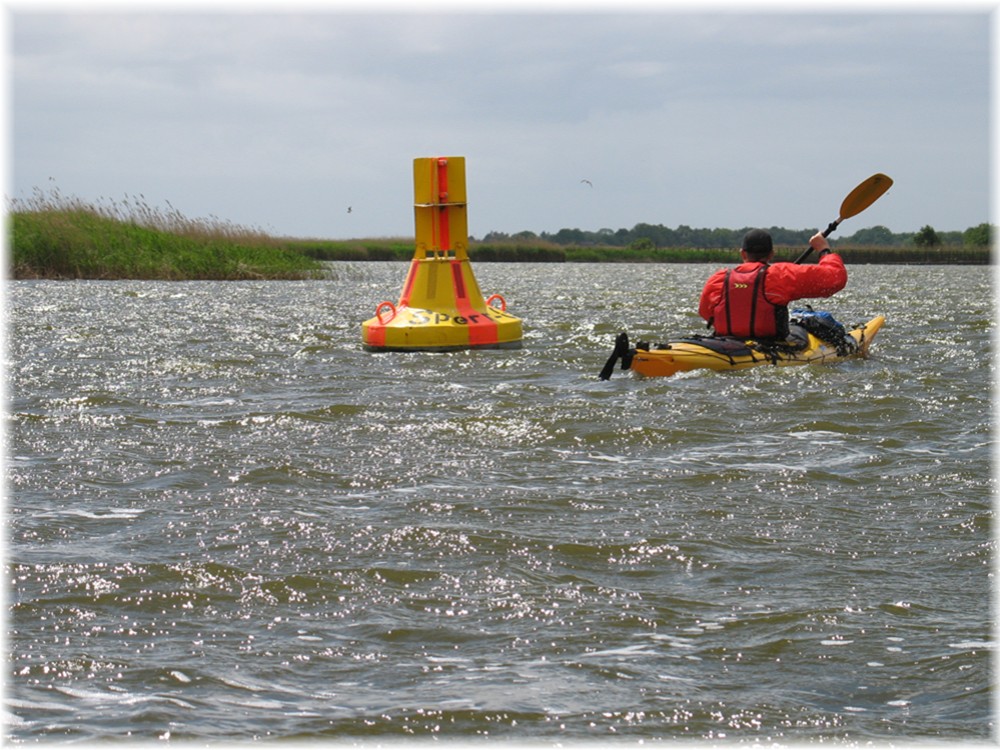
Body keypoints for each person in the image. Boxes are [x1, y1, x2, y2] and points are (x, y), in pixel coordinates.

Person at [698, 228, 847, 341]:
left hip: (725, 344)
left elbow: (705, 312)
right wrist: (824, 250)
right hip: (770, 344)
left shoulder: (718, 278)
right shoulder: (779, 275)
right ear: (771, 254)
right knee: (803, 327)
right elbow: (835, 278)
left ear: (743, 254)